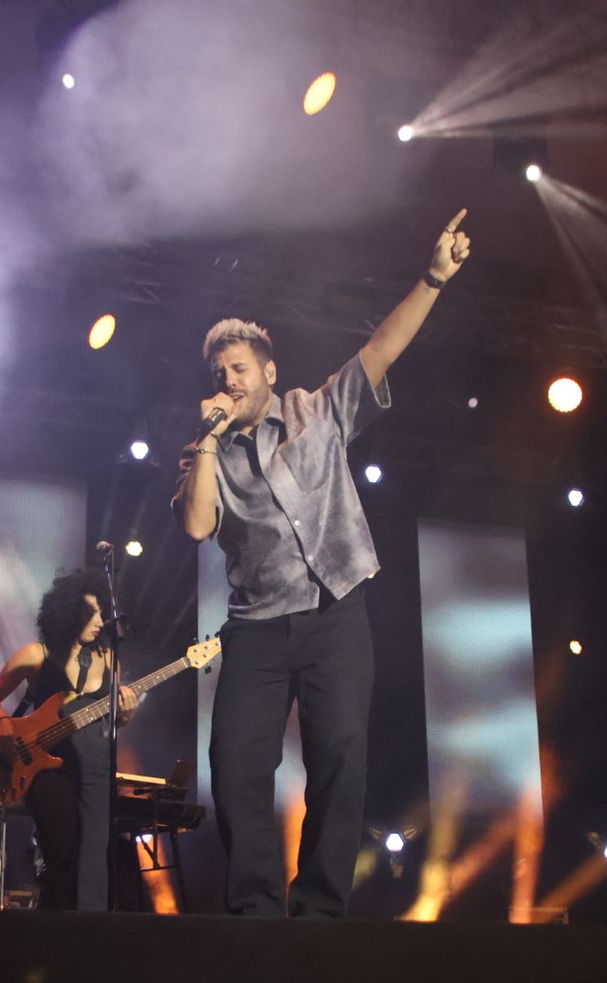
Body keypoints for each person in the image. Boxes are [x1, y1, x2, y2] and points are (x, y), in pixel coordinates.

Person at [174, 210, 473, 917]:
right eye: (219, 373)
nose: (229, 380)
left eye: (239, 369)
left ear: (268, 373)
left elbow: (382, 348)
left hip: (335, 613)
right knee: (235, 766)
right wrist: (208, 440)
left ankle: (318, 911)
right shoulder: (206, 454)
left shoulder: (316, 411)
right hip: (256, 628)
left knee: (340, 758)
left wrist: (433, 279)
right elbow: (197, 525)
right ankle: (255, 910)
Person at [0, 570, 137, 911]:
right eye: (91, 613)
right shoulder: (36, 654)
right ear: (68, 613)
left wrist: (124, 716)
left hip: (95, 769)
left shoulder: (110, 658)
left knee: (98, 855)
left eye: (101, 612)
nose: (100, 621)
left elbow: (110, 724)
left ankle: (92, 930)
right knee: (63, 852)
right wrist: (2, 720)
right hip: (47, 768)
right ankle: (54, 930)